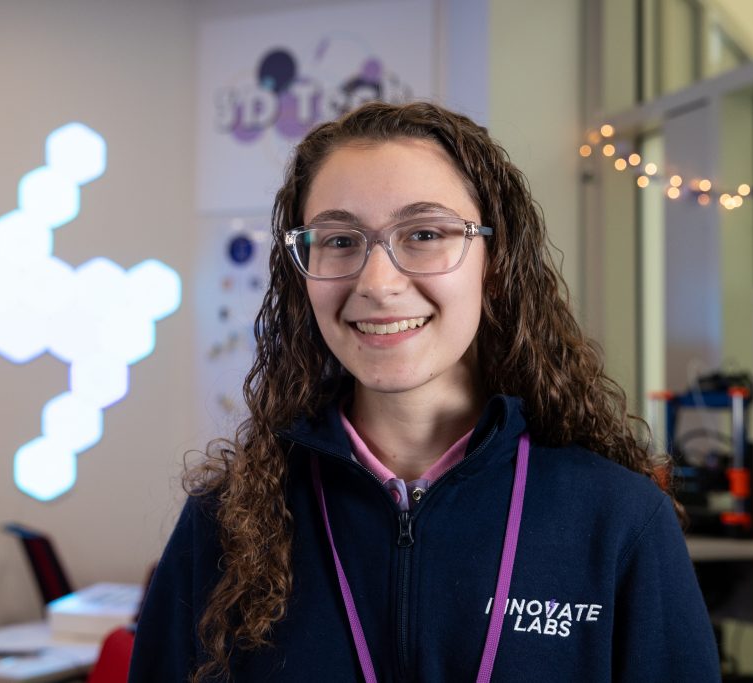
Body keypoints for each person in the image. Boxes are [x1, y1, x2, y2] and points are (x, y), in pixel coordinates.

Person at [129, 101, 720, 682]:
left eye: (425, 233)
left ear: (496, 261)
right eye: (338, 241)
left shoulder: (618, 520)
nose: (378, 284)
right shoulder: (225, 525)